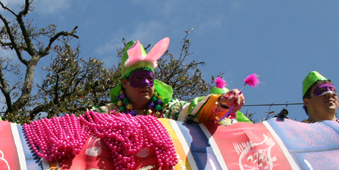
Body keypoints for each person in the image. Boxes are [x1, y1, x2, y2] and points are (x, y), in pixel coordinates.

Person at [95, 38, 247, 124]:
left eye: (150, 79)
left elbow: (193, 110)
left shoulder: (170, 109)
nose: (146, 84)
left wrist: (220, 102)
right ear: (125, 83)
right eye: (138, 78)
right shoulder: (107, 113)